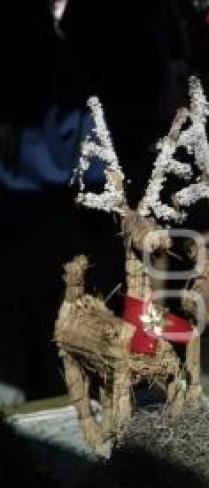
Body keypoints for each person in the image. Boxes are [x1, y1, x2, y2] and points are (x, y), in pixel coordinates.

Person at [0, 1, 91, 404]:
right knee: (60, 345)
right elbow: (89, 156)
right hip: (52, 223)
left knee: (7, 352)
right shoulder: (60, 65)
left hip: (6, 226)